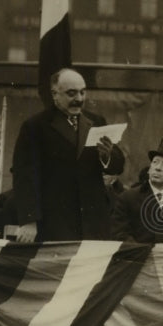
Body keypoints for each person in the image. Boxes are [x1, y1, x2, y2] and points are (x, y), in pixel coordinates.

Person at [12, 68, 126, 242]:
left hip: (93, 223)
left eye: (82, 92)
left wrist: (107, 155)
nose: (79, 99)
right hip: (54, 223)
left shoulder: (97, 122)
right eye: (71, 93)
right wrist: (29, 221)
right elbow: (24, 176)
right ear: (55, 94)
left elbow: (118, 165)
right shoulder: (35, 126)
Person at [111, 137, 163, 244]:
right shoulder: (128, 198)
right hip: (138, 258)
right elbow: (120, 234)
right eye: (155, 162)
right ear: (149, 168)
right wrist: (144, 254)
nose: (158, 168)